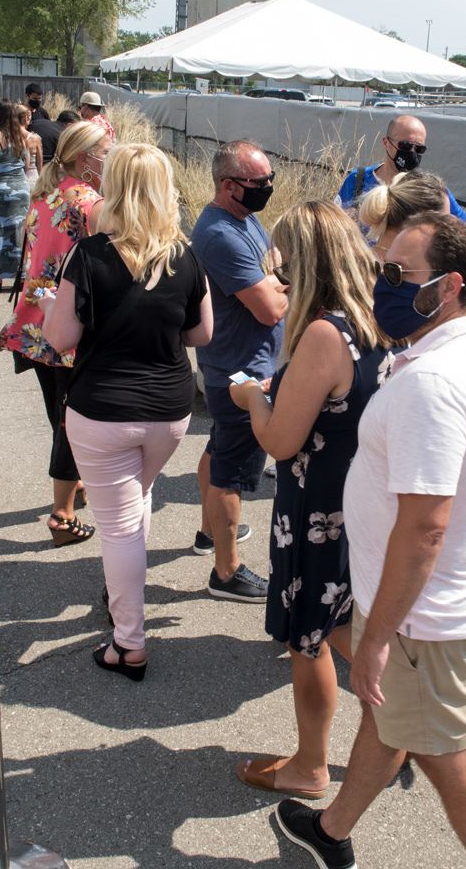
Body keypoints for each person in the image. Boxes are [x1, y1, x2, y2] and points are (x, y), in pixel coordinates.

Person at [275, 212, 466, 869]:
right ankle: (331, 830)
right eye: (378, 265)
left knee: (453, 762)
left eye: (396, 272)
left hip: (420, 613)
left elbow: (425, 526)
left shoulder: (431, 384)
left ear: (447, 287)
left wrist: (379, 635)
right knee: (390, 722)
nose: (379, 281)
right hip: (435, 597)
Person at [228, 199, 393, 799]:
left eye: (284, 265)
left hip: (317, 508)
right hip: (363, 500)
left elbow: (280, 439)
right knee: (346, 618)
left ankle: (311, 766)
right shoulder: (378, 319)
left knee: (310, 634)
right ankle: (400, 728)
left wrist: (253, 400)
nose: (277, 275)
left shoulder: (325, 332)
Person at [42, 142, 213, 681]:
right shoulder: (184, 256)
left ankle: (129, 642)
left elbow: (60, 340)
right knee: (136, 501)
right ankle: (125, 601)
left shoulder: (89, 255)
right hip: (168, 409)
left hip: (102, 410)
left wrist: (54, 306)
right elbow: (201, 333)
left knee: (118, 527)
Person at [1, 120, 108, 545]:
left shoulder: (45, 192)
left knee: (58, 411)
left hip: (35, 319)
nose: (108, 158)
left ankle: (73, 483)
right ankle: (61, 515)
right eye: (104, 151)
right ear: (85, 157)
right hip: (70, 323)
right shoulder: (89, 203)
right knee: (72, 419)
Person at [190, 139, 286, 603]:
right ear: (229, 186)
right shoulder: (221, 236)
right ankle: (226, 574)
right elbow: (270, 307)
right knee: (233, 468)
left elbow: (275, 271)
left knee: (218, 448)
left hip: (236, 362)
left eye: (270, 179)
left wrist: (276, 282)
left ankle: (211, 532)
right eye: (259, 182)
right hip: (240, 371)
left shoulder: (246, 220)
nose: (267, 188)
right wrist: (288, 286)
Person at [334, 114, 466, 225]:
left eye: (419, 149)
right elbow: (333, 223)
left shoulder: (430, 190)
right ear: (386, 143)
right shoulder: (358, 179)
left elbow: (465, 228)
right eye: (405, 145)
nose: (411, 152)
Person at [0, 99, 41, 290]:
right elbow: (27, 165)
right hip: (20, 189)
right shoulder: (21, 136)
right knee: (19, 233)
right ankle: (21, 276)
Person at [356, 170, 451, 260]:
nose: (448, 234)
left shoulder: (359, 263)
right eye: (443, 224)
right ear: (419, 220)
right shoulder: (404, 274)